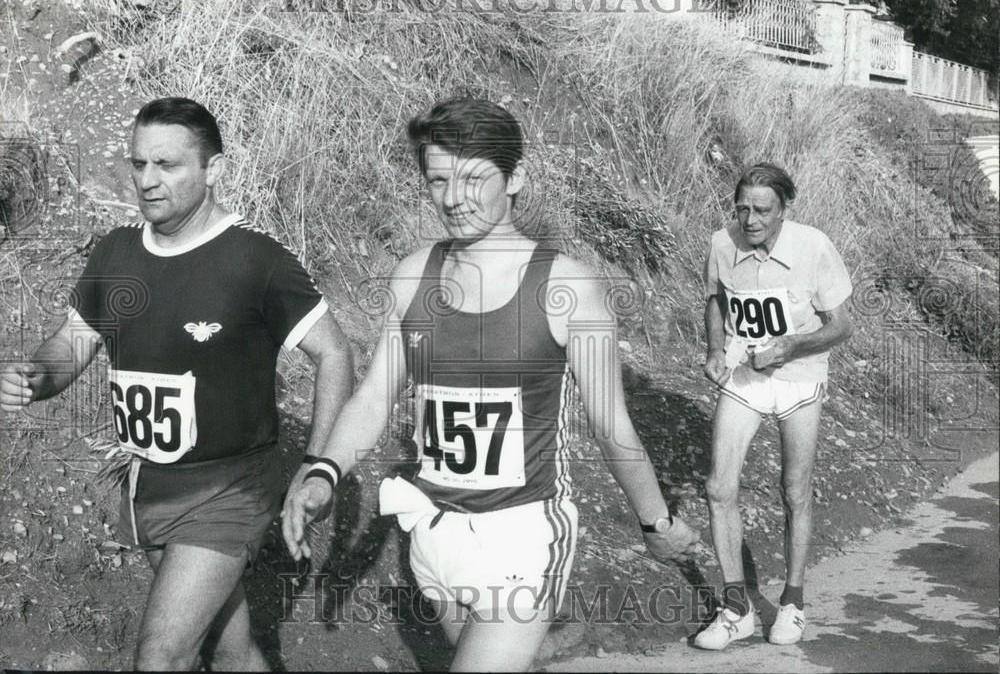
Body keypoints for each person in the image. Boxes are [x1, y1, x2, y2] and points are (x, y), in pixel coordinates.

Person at [282, 97, 699, 672]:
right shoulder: (413, 275)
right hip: (434, 535)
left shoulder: (568, 287)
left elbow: (610, 424)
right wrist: (324, 475)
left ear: (515, 178)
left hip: (523, 537)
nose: (454, 198)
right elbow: (375, 398)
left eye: (474, 178)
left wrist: (657, 523)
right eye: (438, 180)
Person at [0, 97, 354, 670]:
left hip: (230, 491)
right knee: (229, 651)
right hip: (146, 486)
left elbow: (335, 352)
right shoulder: (116, 251)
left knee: (161, 656)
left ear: (213, 170)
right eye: (139, 164)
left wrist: (319, 465)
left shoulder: (254, 259)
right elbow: (74, 342)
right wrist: (37, 376)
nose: (148, 180)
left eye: (168, 165)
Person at [696, 163, 854, 650]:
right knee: (719, 488)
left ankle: (793, 601)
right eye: (742, 208)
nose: (750, 220)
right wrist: (715, 351)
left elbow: (841, 325)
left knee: (793, 490)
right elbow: (717, 302)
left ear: (784, 209)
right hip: (745, 376)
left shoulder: (813, 246)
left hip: (799, 378)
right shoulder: (722, 244)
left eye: (762, 210)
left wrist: (791, 347)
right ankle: (737, 608)